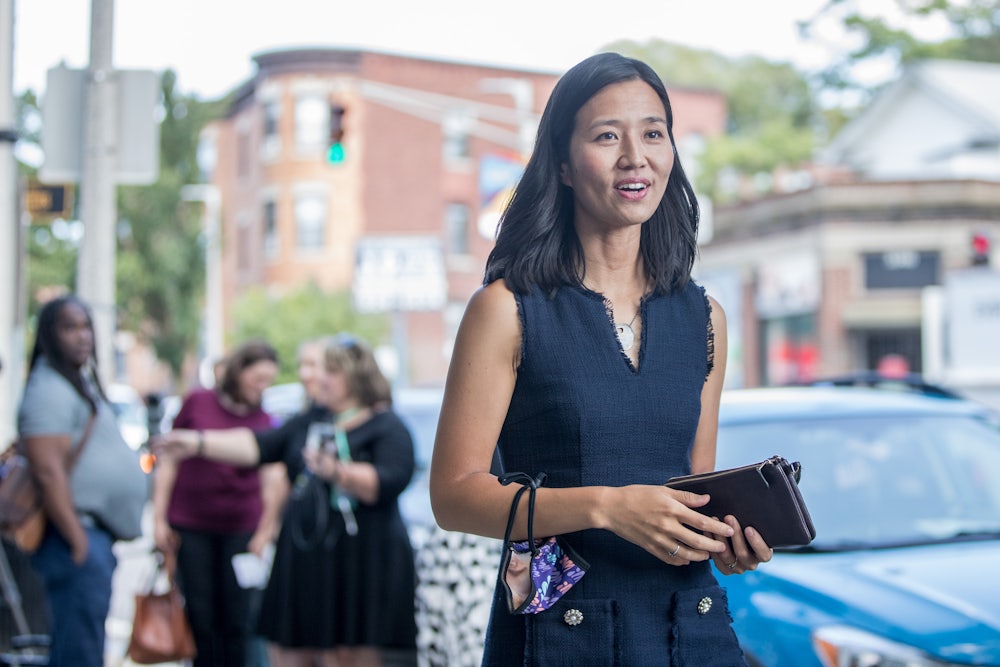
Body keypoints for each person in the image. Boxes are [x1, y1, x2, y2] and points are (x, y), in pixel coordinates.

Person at [429, 52, 773, 666]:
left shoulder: (705, 318)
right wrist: (607, 507)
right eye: (606, 136)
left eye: (653, 133)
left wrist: (726, 539)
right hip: (562, 634)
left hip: (686, 631)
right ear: (562, 164)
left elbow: (690, 494)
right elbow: (453, 497)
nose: (634, 156)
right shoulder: (506, 310)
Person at [155, 334, 418, 667]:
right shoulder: (311, 420)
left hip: (359, 562)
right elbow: (259, 446)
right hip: (306, 560)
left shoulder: (385, 425)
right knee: (289, 649)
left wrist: (337, 471)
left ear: (356, 377)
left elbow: (390, 479)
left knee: (351, 652)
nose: (318, 379)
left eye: (330, 371)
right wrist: (196, 442)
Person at [17, 295, 147, 666]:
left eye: (86, 326)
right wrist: (78, 542)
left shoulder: (76, 383)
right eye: (70, 327)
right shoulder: (48, 389)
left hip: (92, 537)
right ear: (48, 335)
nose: (82, 336)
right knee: (78, 651)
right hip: (74, 537)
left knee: (87, 644)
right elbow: (47, 470)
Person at [152, 339, 280, 667]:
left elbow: (272, 481)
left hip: (241, 527)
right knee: (200, 614)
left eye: (268, 381)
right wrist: (159, 519)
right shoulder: (197, 402)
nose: (262, 388)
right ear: (239, 372)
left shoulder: (264, 419)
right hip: (192, 524)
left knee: (237, 618)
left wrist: (265, 531)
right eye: (257, 379)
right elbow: (169, 460)